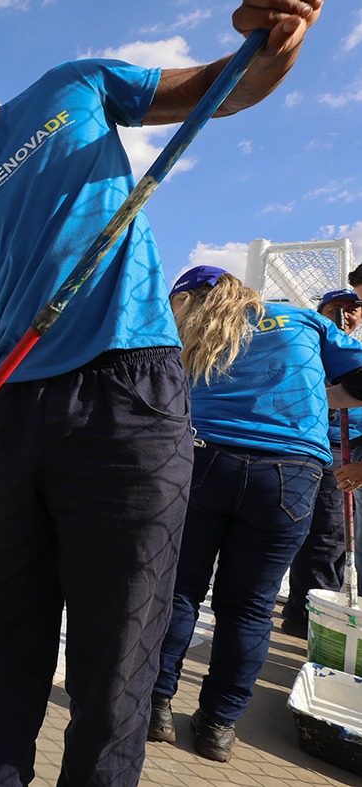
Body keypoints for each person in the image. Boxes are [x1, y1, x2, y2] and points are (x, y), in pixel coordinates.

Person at [0, 4, 320, 784]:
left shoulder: (69, 88)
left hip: (129, 393)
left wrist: (277, 40)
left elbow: (223, 88)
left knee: (119, 635)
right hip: (13, 410)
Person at [150, 267, 362, 763]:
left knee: (179, 590)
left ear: (186, 297)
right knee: (249, 606)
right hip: (291, 470)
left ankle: (156, 705)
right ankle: (219, 726)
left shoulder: (191, 329)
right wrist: (320, 396)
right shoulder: (301, 321)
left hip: (204, 458)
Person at [281, 289, 362, 638]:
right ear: (321, 313)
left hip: (353, 447)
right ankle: (301, 612)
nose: (345, 315)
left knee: (338, 535)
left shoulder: (356, 353)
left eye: (352, 308)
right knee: (311, 530)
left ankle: (316, 614)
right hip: (317, 445)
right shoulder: (311, 348)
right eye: (336, 308)